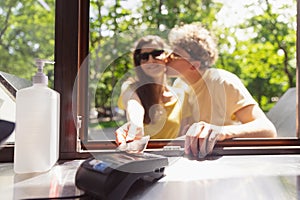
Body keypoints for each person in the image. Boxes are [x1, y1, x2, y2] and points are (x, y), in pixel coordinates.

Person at [166, 22, 277, 158]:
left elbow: (268, 130)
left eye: (174, 55)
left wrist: (222, 131)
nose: (166, 58)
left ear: (193, 66)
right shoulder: (179, 84)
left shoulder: (222, 81)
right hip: (197, 163)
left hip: (228, 160)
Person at [115, 35, 192, 151]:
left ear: (166, 57)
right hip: (141, 158)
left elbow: (183, 134)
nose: (151, 60)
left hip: (171, 159)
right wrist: (135, 125)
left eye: (156, 53)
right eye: (144, 57)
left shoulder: (182, 95)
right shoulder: (131, 88)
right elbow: (134, 106)